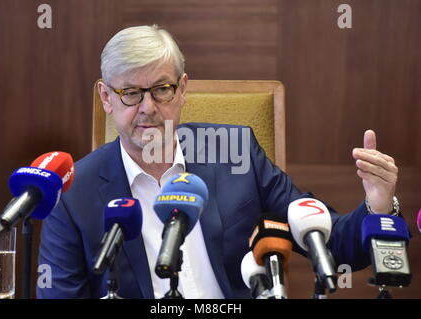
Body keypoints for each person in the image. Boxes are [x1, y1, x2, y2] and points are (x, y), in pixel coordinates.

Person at [37, 25, 400, 299]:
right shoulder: (72, 194)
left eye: (161, 89)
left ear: (182, 90)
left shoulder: (235, 153)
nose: (147, 108)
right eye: (130, 93)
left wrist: (377, 203)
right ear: (106, 97)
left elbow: (331, 245)